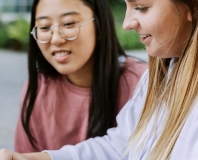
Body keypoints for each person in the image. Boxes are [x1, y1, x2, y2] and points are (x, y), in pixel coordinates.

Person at [0, 0, 198, 159]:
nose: (126, 23)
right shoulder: (172, 61)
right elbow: (122, 147)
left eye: (142, 7)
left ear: (195, 6)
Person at [14, 0, 147, 152]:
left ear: (100, 25)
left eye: (69, 24)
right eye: (44, 27)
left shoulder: (141, 83)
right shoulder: (38, 86)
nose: (56, 39)